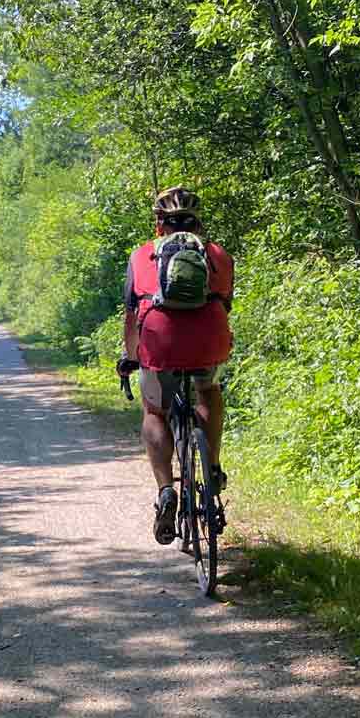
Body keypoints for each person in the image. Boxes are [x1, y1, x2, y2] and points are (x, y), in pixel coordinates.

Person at [118, 186, 234, 545]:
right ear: (198, 224)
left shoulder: (141, 257)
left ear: (159, 224)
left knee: (154, 412)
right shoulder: (218, 255)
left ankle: (167, 490)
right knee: (208, 390)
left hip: (159, 342)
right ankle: (211, 466)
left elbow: (131, 314)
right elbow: (225, 305)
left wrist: (132, 357)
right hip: (208, 339)